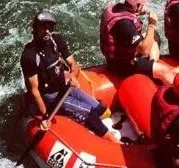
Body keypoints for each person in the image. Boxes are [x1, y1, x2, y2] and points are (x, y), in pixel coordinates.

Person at [20, 11, 117, 140]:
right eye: (43, 27)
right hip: (49, 95)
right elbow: (35, 91)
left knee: (101, 110)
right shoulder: (30, 55)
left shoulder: (57, 39)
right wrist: (45, 117)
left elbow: (73, 64)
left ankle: (87, 124)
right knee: (89, 112)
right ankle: (112, 139)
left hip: (65, 87)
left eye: (50, 27)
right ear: (35, 28)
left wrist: (72, 76)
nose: (47, 31)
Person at [99, 0, 175, 85]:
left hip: (120, 55)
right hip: (122, 65)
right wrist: (151, 24)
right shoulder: (124, 23)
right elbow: (144, 50)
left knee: (154, 36)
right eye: (142, 4)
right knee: (164, 71)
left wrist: (139, 11)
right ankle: (156, 73)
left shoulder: (117, 8)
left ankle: (151, 68)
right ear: (137, 4)